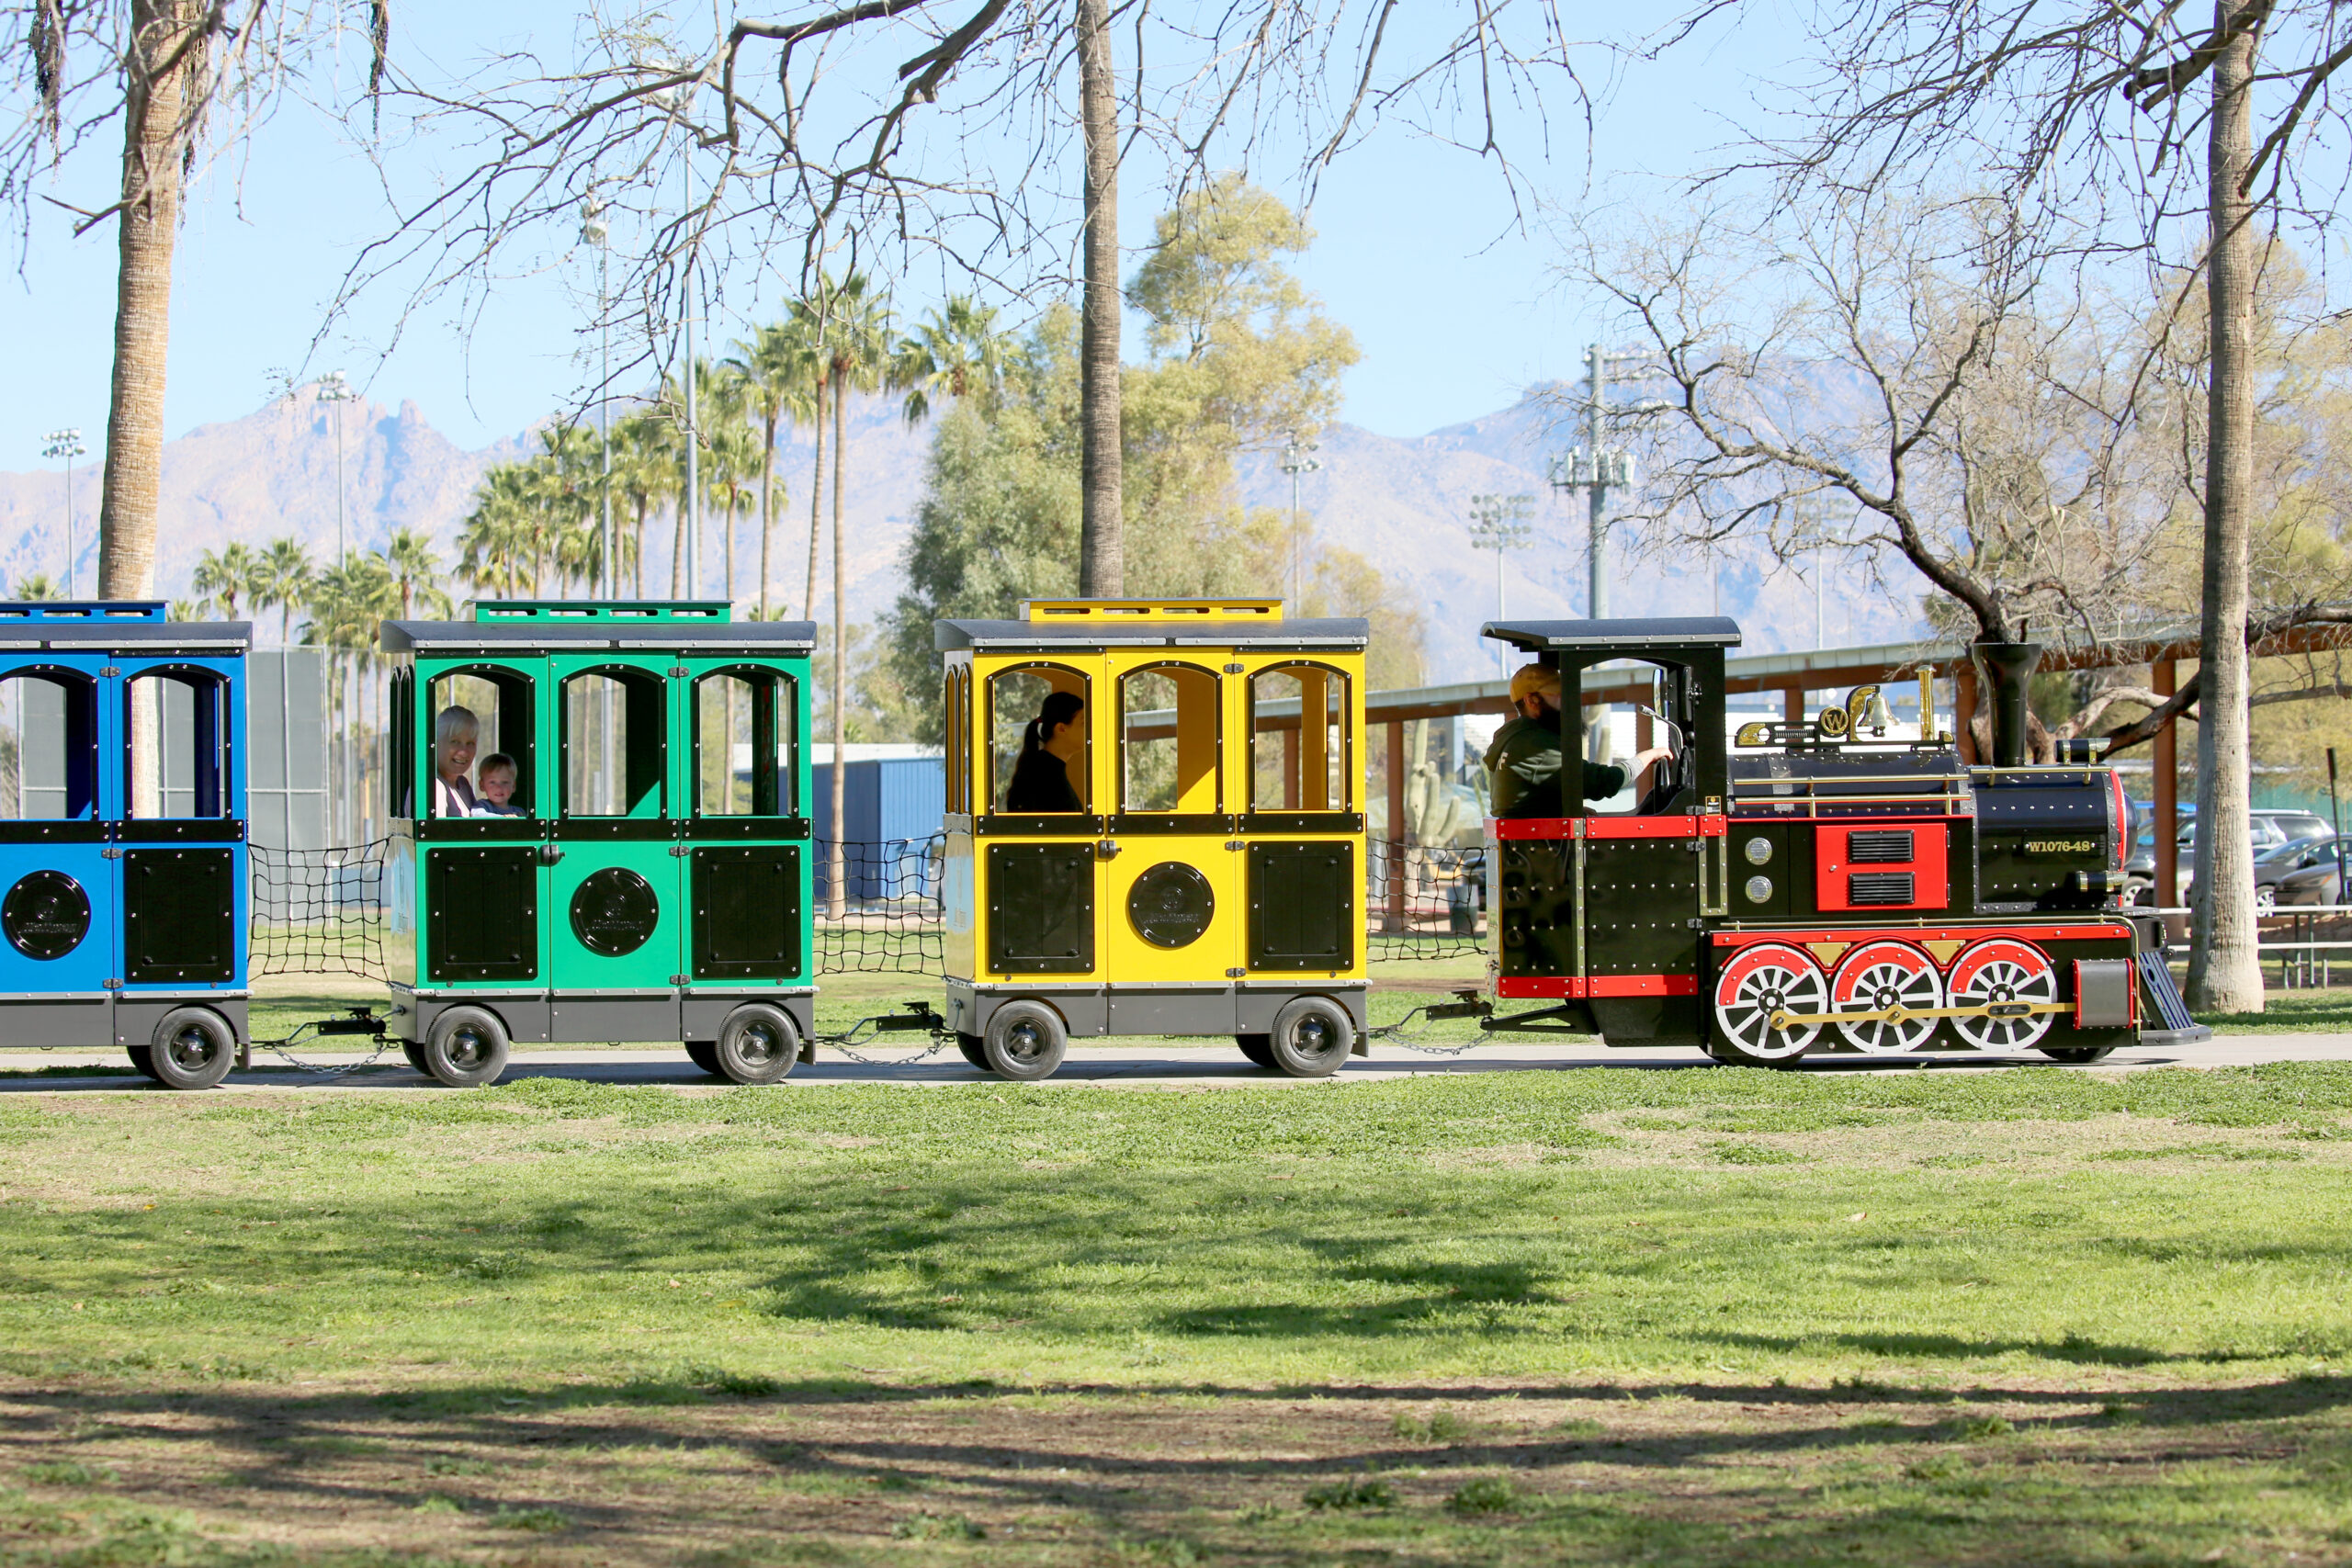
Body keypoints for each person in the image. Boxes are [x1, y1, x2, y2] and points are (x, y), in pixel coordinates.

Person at [1485, 665, 1675, 818]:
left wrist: (1562, 812)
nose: (1565, 701)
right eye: (1556, 694)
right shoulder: (1533, 745)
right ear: (1531, 700)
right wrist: (1649, 756)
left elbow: (1531, 802)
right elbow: (1603, 782)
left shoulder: (1515, 738)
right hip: (1544, 854)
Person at [1007, 691, 1085, 812]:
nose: (1091, 729)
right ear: (1061, 728)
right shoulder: (1043, 774)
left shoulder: (1044, 767)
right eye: (1083, 723)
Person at [431, 705, 481, 818]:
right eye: (455, 742)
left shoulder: (463, 784)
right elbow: (437, 833)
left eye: (470, 743)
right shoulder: (434, 787)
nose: (464, 752)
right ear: (436, 743)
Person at [470, 753, 525, 817]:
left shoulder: (519, 812)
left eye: (505, 782)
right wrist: (502, 818)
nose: (499, 788)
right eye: (492, 782)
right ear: (482, 785)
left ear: (513, 786)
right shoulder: (482, 806)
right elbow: (478, 815)